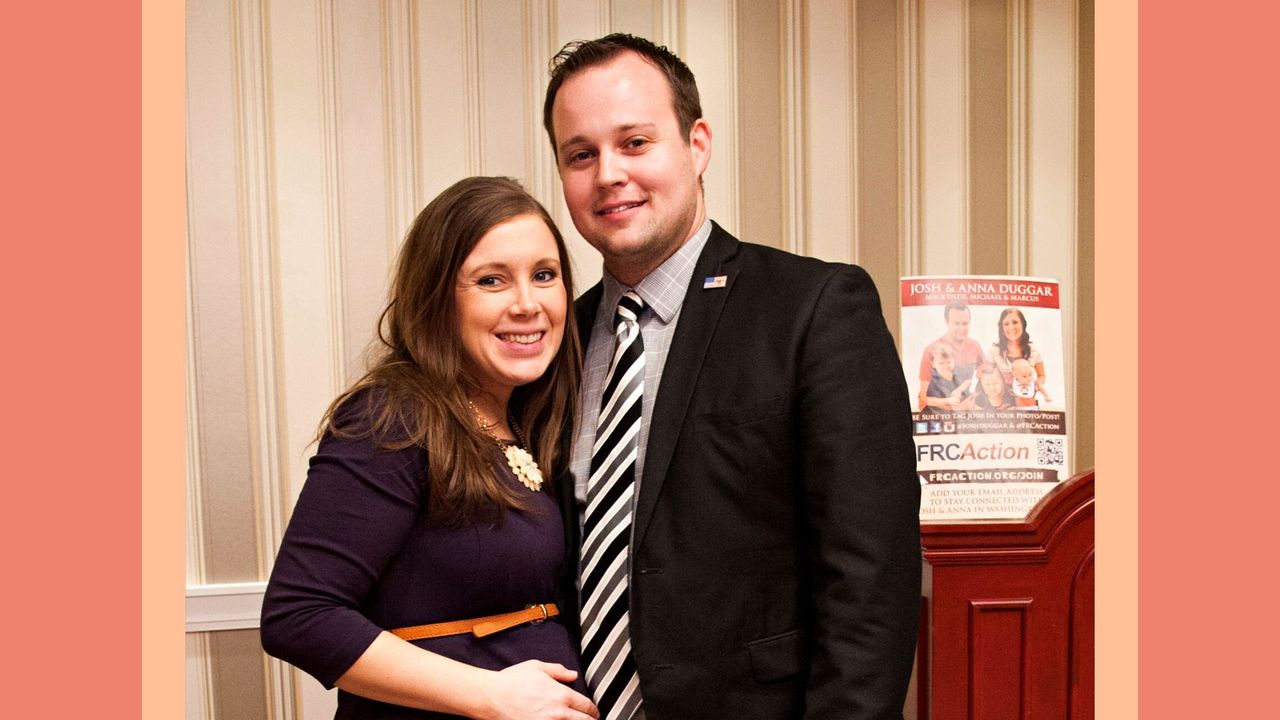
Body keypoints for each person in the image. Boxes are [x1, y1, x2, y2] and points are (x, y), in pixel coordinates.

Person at [543, 34, 920, 719]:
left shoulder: (814, 309)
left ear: (697, 144)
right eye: (580, 154)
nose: (607, 175)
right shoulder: (554, 343)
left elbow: (870, 581)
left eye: (635, 142)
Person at [260, 177, 599, 720]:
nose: (527, 303)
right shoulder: (393, 417)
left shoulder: (524, 420)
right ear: (438, 297)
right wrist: (490, 695)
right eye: (492, 280)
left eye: (544, 275)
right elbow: (298, 615)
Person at [916, 303, 985, 411]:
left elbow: (985, 376)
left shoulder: (975, 346)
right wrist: (949, 404)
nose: (961, 328)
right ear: (946, 322)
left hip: (966, 413)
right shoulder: (931, 350)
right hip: (939, 414)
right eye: (956, 323)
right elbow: (923, 397)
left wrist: (976, 396)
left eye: (965, 323)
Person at [988, 307, 1047, 392]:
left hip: (1025, 397)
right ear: (1002, 328)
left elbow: (1041, 375)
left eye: (1015, 322)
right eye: (1006, 324)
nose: (1011, 327)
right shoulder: (994, 350)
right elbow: (988, 375)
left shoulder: (1033, 350)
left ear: (1023, 324)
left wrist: (1036, 386)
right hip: (1002, 399)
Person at [923, 343, 975, 414]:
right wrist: (947, 401)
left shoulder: (959, 372)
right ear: (933, 364)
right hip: (938, 414)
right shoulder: (931, 380)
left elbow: (969, 380)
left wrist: (959, 389)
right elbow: (924, 399)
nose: (946, 366)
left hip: (960, 412)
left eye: (948, 362)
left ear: (954, 361)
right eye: (941, 363)